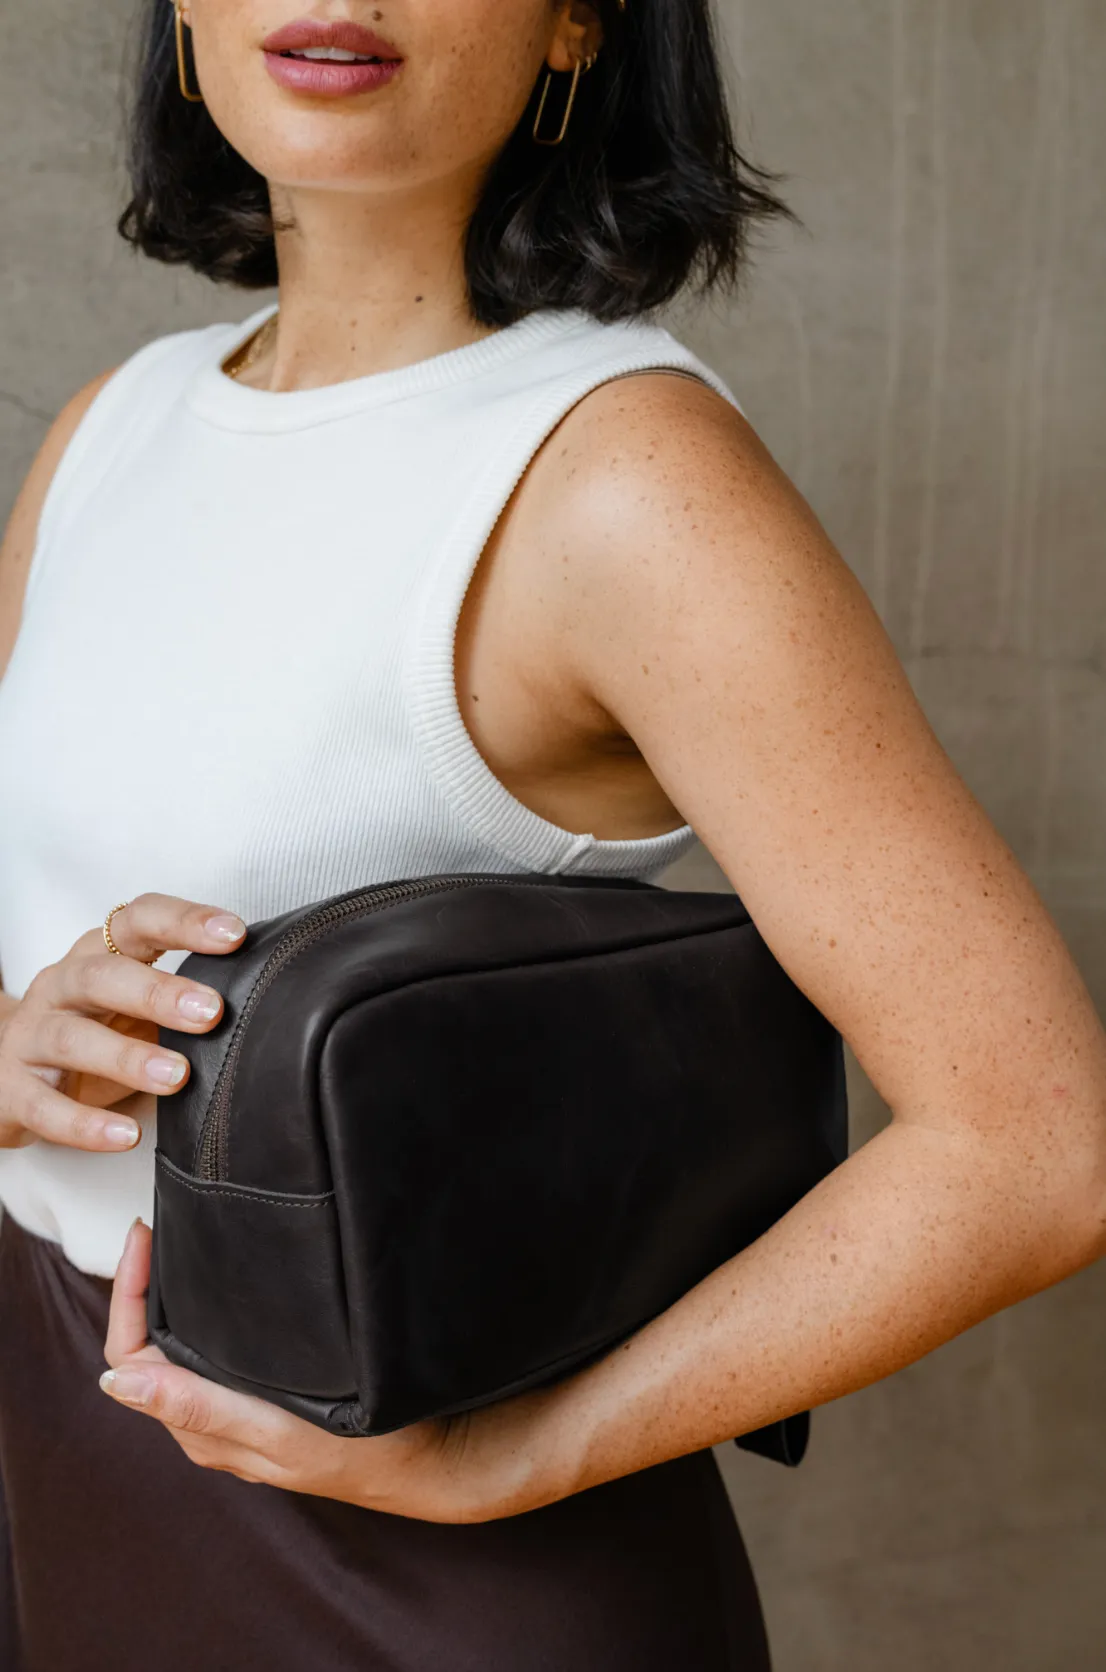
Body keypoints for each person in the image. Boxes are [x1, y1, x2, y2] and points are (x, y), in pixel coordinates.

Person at [0, 1, 1103, 1667]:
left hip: (411, 1558)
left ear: (578, 20)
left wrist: (507, 1466)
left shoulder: (620, 475)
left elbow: (1036, 1148)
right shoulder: (110, 428)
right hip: (61, 1437)